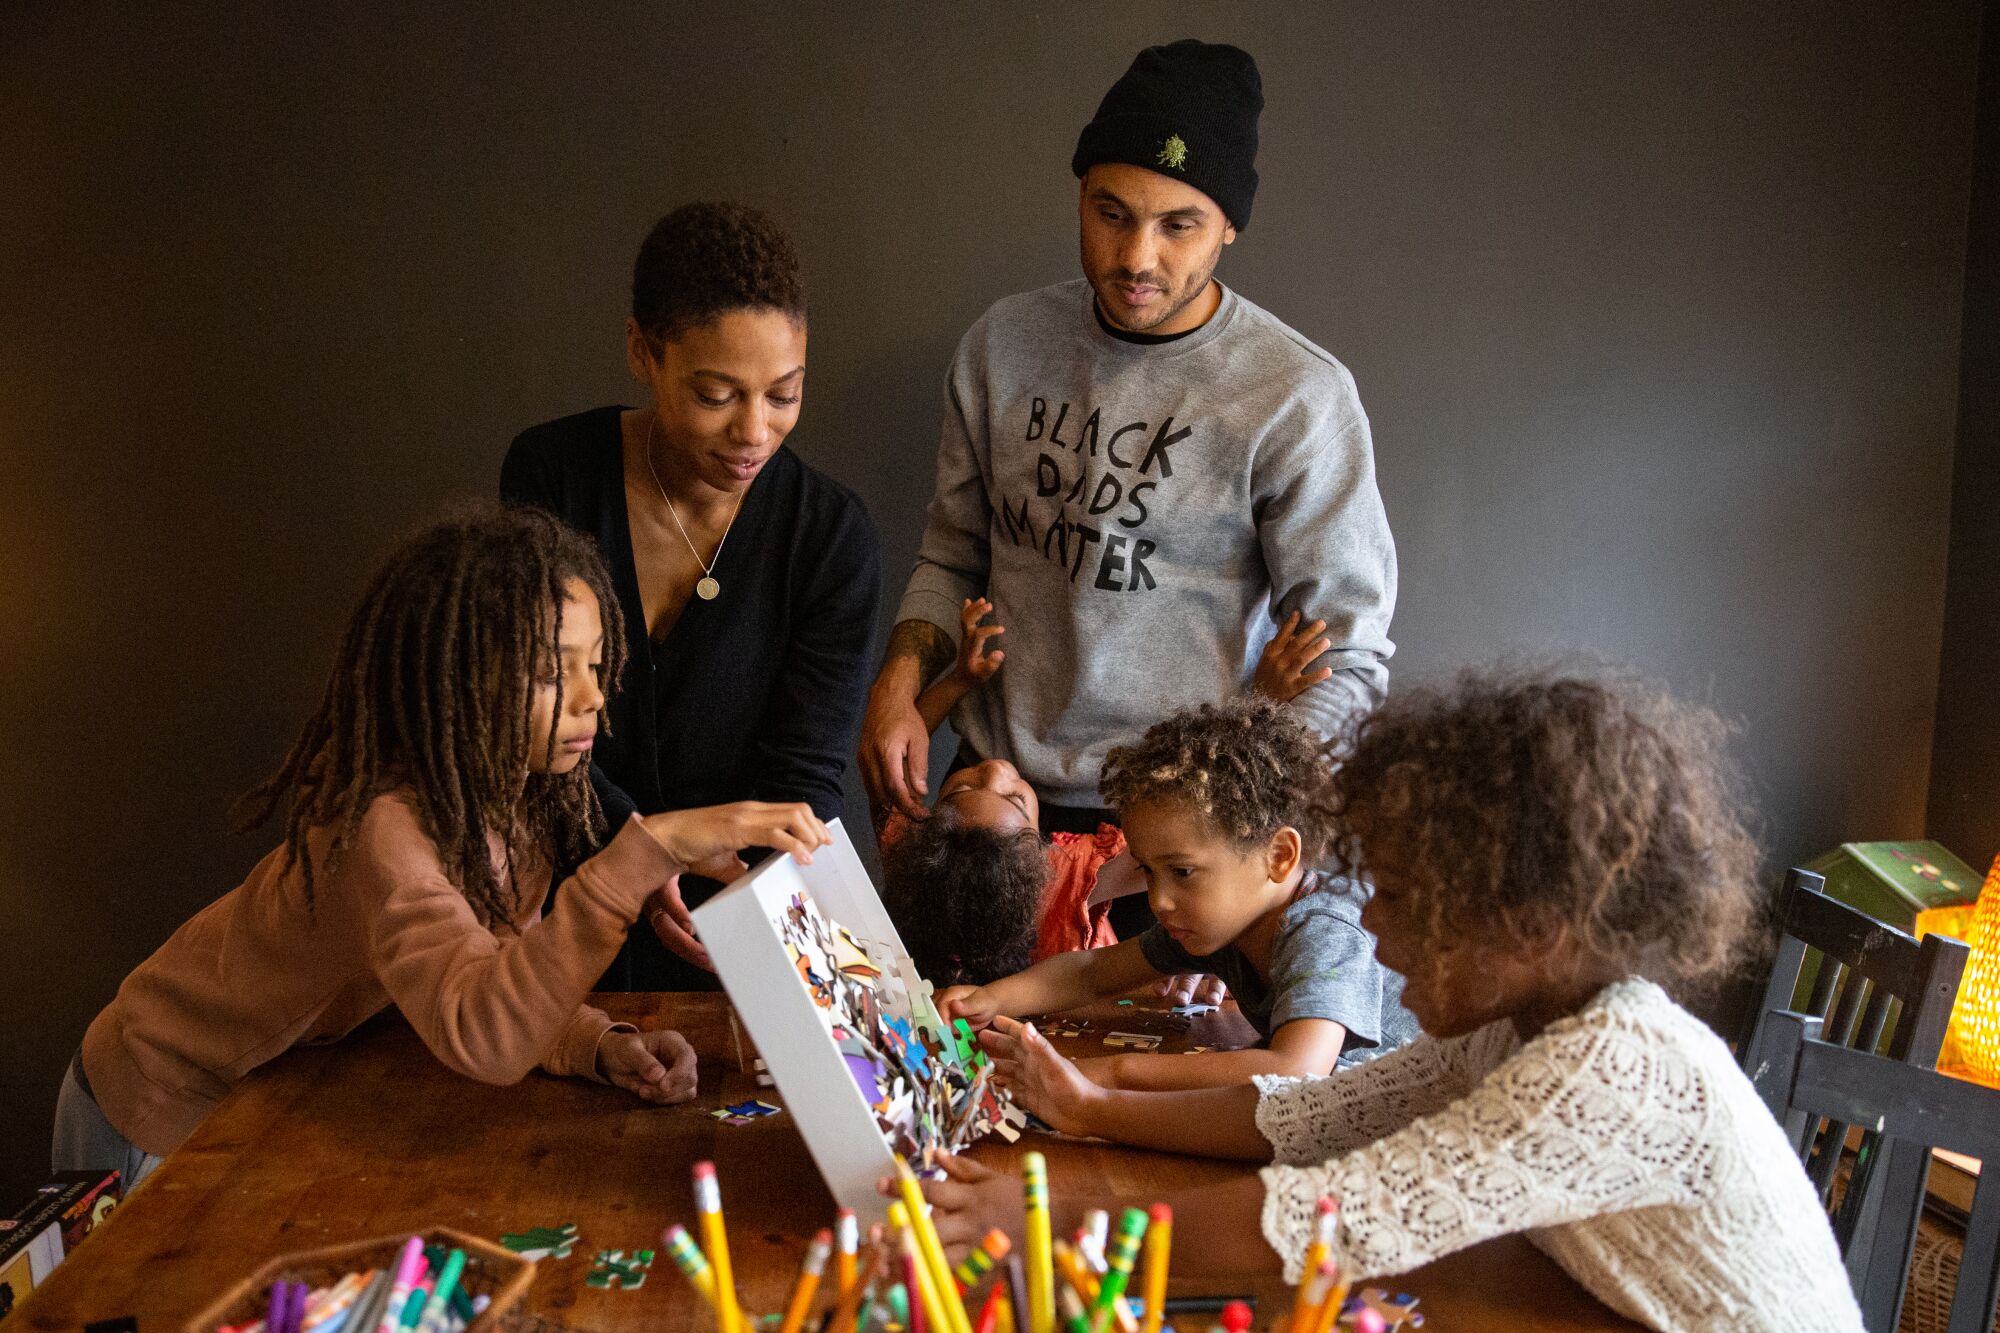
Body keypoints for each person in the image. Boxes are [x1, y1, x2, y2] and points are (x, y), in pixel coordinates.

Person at [899, 670, 1865, 1333]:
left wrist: (1055, 1224)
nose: (1382, 936)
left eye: (1405, 903)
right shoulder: (1519, 1027)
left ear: (1525, 922)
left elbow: (1333, 1214)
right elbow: (1310, 1115)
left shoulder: (1607, 1064)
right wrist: (1092, 1109)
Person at [54, 507, 831, 1190]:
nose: (593, 695)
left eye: (594, 665)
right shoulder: (378, 831)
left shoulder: (513, 800)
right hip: (154, 1093)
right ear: (462, 680)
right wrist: (644, 849)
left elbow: (493, 965)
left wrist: (597, 1043)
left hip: (274, 1089)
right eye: (550, 672)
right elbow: (481, 1028)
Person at [860, 39, 1396, 938]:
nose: (1136, 255)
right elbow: (951, 553)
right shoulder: (1001, 346)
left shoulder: (1297, 397)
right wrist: (898, 683)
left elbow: (1349, 657)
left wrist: (1229, 829)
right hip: (993, 808)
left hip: (1181, 846)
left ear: (1229, 226)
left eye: (1177, 224)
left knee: (1144, 1076)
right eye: (1111, 213)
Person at [504, 202, 881, 988]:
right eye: (717, 394)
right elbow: (528, 710)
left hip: (737, 914)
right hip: (556, 895)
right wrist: (641, 858)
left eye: (783, 394)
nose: (755, 431)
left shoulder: (829, 536)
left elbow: (804, 781)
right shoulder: (554, 475)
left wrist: (747, 913)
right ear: (643, 349)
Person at [935, 696, 1412, 1089]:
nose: (1158, 900)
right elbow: (1093, 972)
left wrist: (1100, 1075)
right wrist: (989, 1000)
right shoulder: (1219, 924)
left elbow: (1293, 1071)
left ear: (1280, 856)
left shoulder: (1325, 929)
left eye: (1182, 872)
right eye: (1148, 871)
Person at [878, 597, 1346, 991]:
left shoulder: (911, 854)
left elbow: (902, 753)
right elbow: (1195, 823)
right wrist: (1258, 701)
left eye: (961, 783)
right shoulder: (1059, 875)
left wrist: (960, 680)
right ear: (1036, 860)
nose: (998, 767)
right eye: (1015, 801)